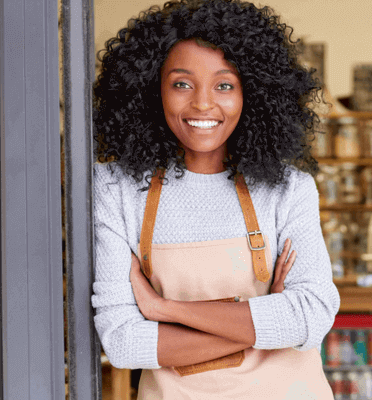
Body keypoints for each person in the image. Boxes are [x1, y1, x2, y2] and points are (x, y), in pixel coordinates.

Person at [90, 1, 338, 398]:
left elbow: (313, 314)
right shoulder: (116, 189)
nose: (203, 104)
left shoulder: (289, 189)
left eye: (224, 85)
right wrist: (264, 322)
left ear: (252, 94)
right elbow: (123, 343)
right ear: (153, 90)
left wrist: (163, 311)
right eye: (182, 83)